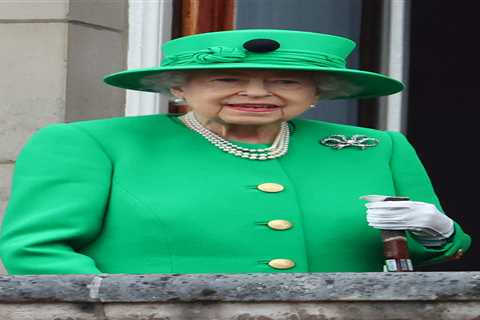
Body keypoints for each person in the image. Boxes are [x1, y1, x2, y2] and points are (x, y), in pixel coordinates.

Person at [0, 29, 471, 274]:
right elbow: (37, 252)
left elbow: (413, 257)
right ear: (178, 86)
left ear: (318, 92)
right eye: (225, 78)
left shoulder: (377, 148)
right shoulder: (91, 144)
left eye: (285, 81)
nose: (256, 92)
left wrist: (437, 234)